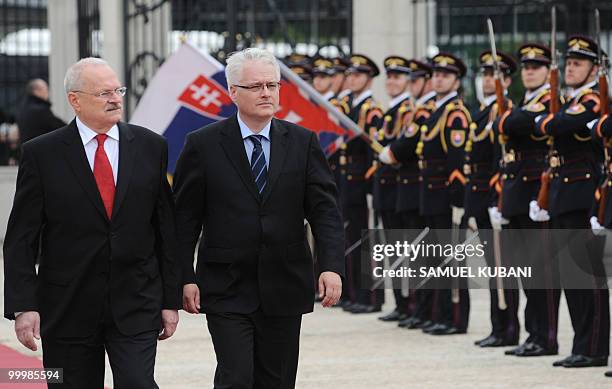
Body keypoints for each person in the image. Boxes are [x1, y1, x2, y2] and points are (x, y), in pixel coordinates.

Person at [3, 58, 181, 388]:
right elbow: (21, 237)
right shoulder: (42, 154)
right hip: (67, 305)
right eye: (104, 92)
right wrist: (23, 305)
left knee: (138, 383)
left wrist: (170, 300)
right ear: (75, 99)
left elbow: (165, 230)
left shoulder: (150, 146)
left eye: (118, 90)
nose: (116, 98)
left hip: (136, 301)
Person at [174, 47, 344, 389]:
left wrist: (331, 265)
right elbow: (184, 220)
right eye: (255, 86)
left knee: (277, 380)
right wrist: (183, 276)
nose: (266, 93)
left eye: (272, 84)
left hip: (285, 283)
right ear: (232, 92)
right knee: (236, 377)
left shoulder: (303, 141)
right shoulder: (202, 145)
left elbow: (324, 211)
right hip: (226, 286)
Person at [534, 35, 610, 368]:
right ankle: (582, 345)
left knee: (587, 279)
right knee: (571, 279)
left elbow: (558, 124)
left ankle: (594, 348)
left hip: (583, 194)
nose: (570, 68)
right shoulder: (571, 99)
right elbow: (548, 125)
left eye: (578, 63)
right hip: (564, 194)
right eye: (569, 63)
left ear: (595, 68)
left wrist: (550, 122)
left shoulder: (593, 99)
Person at [494, 43, 560, 357]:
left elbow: (512, 124)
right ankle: (533, 334)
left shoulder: (549, 98)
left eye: (536, 66)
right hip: (518, 192)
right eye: (527, 67)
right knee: (524, 271)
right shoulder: (526, 100)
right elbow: (507, 125)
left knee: (540, 272)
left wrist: (510, 119)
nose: (530, 71)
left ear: (548, 72)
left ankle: (545, 337)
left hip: (537, 191)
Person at [466, 50, 520, 348]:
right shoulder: (481, 112)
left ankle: (509, 328)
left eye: (494, 75)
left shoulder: (505, 109)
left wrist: (496, 199)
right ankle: (498, 327)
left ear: (506, 80)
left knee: (503, 267)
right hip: (479, 195)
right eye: (485, 75)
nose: (487, 80)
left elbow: (504, 159)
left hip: (495, 196)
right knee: (491, 267)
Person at [379, 59, 436, 329]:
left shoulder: (425, 110)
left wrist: (390, 153)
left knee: (420, 253)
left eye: (412, 80)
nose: (406, 85)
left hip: (416, 187)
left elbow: (406, 145)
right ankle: (410, 305)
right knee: (406, 252)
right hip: (405, 187)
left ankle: (419, 307)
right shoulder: (413, 110)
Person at [339, 53, 384, 314]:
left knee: (366, 241)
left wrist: (369, 186)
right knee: (350, 238)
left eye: (358, 75)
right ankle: (355, 293)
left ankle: (370, 296)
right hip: (347, 182)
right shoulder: (347, 106)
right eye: (351, 75)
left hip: (362, 183)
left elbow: (373, 153)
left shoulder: (371, 110)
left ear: (368, 80)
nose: (352, 79)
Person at [373, 55, 413, 322]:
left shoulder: (408, 111)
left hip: (399, 187)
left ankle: (409, 303)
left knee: (405, 249)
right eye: (389, 77)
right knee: (393, 248)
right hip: (386, 188)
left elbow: (404, 148)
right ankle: (400, 302)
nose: (391, 81)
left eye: (397, 77)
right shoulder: (391, 110)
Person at [16, 78, 66, 144]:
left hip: (27, 149)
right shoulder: (40, 110)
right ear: (37, 91)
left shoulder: (23, 108)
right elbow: (61, 127)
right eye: (46, 89)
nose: (48, 93)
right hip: (40, 149)